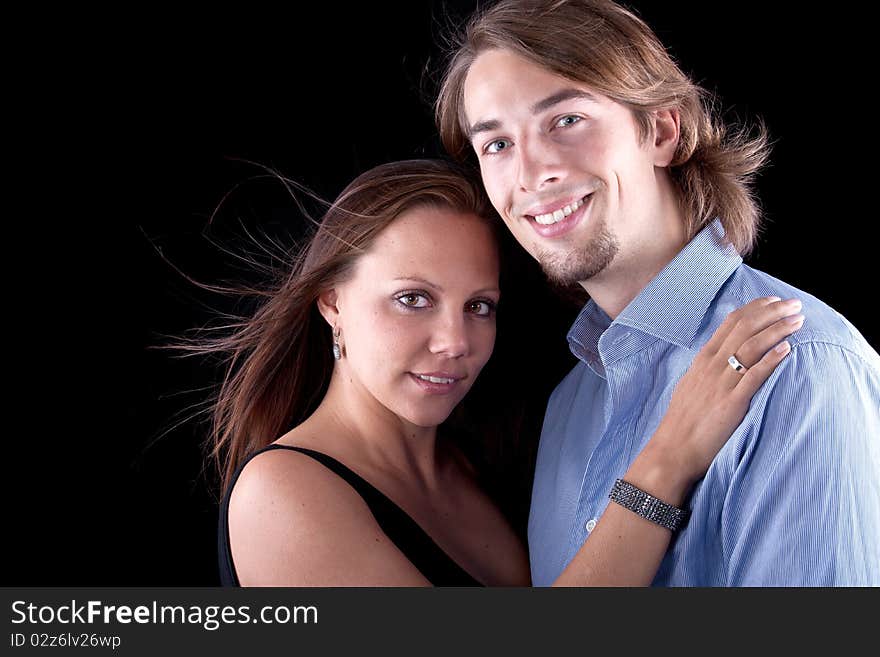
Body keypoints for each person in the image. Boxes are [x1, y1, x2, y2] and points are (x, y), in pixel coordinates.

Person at [435, 0, 880, 585]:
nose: (530, 172)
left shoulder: (797, 366)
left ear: (661, 132)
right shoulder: (570, 404)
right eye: (496, 144)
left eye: (567, 119)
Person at [199, 158, 801, 586]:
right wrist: (669, 458)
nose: (455, 343)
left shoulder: (483, 460)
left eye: (478, 306)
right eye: (413, 299)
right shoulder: (282, 493)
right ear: (332, 302)